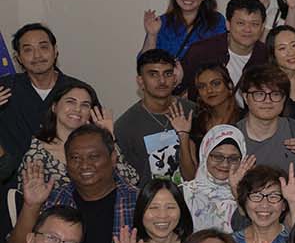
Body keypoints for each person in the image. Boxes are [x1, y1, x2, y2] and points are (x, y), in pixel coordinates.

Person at [9, 125, 140, 243]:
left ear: (113, 158)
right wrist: (31, 206)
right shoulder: (53, 198)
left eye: (94, 156)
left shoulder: (138, 202)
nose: (84, 165)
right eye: (75, 158)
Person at [0, 23, 87, 184]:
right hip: (13, 188)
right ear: (18, 57)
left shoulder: (79, 91)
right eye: (28, 50)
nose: (37, 55)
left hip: (70, 185)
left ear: (55, 51)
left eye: (43, 47)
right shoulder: (4, 89)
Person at [20, 80, 140, 189]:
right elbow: (30, 200)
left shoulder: (98, 144)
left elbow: (131, 180)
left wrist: (108, 138)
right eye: (71, 102)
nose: (77, 109)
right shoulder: (37, 154)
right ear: (54, 107)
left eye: (85, 105)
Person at [116, 48, 196, 182]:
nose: (162, 81)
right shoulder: (125, 126)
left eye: (168, 74)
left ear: (175, 78)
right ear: (141, 81)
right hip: (150, 200)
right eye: (153, 74)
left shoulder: (192, 111)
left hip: (192, 198)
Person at [236, 63, 295, 173]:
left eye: (275, 94)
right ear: (245, 97)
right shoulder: (231, 137)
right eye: (259, 94)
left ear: (284, 98)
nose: (267, 101)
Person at [180, 0, 269, 91]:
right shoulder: (200, 52)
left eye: (254, 24)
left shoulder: (267, 56)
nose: (247, 29)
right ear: (228, 25)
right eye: (240, 23)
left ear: (262, 27)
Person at [142, 0, 227, 58]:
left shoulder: (216, 21)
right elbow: (145, 64)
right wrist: (152, 35)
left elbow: (222, 56)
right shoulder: (161, 22)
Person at [181, 123, 249, 231]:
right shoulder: (184, 194)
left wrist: (237, 193)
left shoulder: (251, 196)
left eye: (233, 158)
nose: (225, 164)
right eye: (217, 156)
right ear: (205, 154)